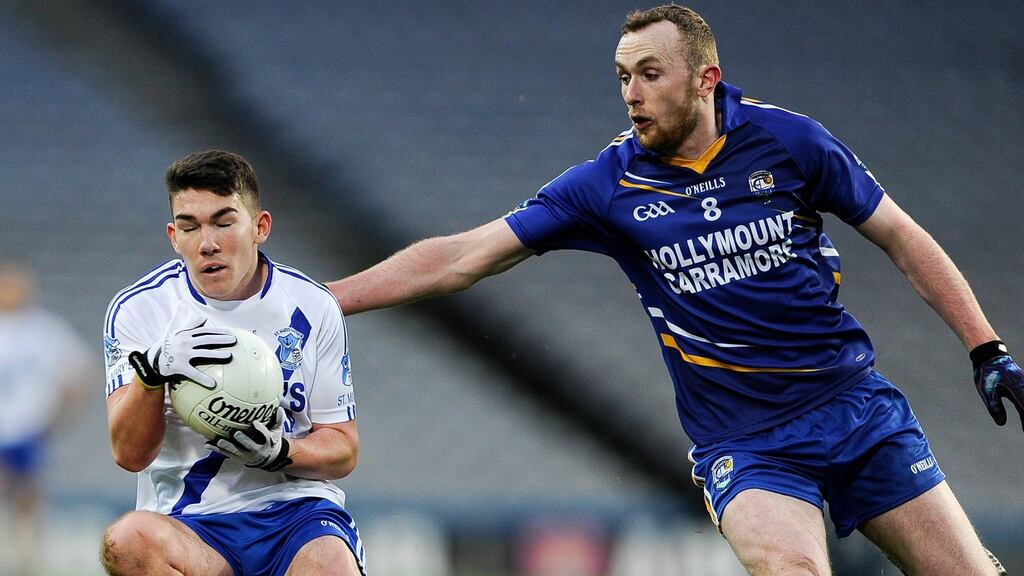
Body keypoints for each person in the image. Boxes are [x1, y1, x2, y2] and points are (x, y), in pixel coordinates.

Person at [326, 5, 1023, 575]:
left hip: (857, 410)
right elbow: (461, 257)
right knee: (793, 571)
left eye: (650, 74)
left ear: (705, 78)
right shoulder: (605, 186)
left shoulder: (791, 143)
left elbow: (902, 236)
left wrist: (984, 348)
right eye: (623, 76)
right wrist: (325, 300)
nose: (631, 93)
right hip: (745, 444)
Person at [101, 150, 365, 575]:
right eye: (190, 227)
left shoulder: (312, 306)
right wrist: (152, 376)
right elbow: (129, 455)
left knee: (331, 563)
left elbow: (343, 449)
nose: (207, 243)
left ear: (260, 227)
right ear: (173, 236)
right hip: (191, 523)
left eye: (224, 222)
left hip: (295, 516)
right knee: (127, 541)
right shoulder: (140, 310)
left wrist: (281, 453)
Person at [0, 262, 92, 576]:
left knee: (28, 498)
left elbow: (78, 375)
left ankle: (26, 562)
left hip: (27, 429)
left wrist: (55, 418)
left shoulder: (43, 330)